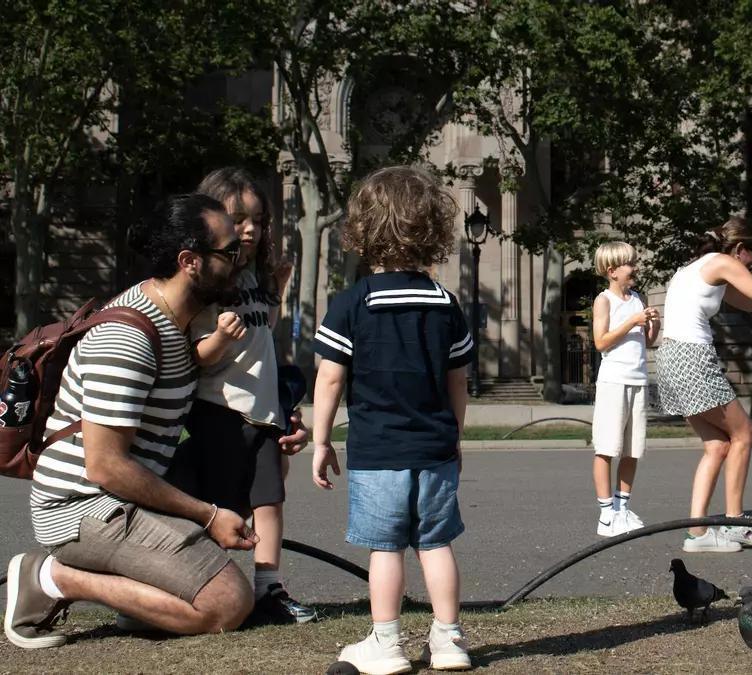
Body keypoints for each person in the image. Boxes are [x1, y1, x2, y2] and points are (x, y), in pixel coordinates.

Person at [7, 195, 256, 649]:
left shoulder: (174, 321)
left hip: (121, 499)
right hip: (82, 507)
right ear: (190, 262)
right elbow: (105, 466)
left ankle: (135, 596)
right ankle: (50, 577)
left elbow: (178, 382)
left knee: (220, 590)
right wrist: (209, 514)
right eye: (229, 252)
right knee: (226, 602)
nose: (241, 258)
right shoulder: (127, 337)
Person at [311, 165, 473, 673]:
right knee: (435, 543)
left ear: (363, 231)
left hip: (377, 450)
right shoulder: (446, 304)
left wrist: (320, 440)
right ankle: (448, 640)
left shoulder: (351, 305)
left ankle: (386, 643)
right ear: (433, 232)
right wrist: (456, 435)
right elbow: (458, 382)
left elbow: (331, 380)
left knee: (385, 550)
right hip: (435, 447)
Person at [163, 167, 314, 624]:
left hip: (261, 412)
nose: (250, 229)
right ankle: (200, 585)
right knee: (226, 504)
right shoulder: (209, 280)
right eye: (239, 218)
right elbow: (197, 357)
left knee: (269, 498)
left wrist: (278, 292)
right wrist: (220, 341)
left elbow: (262, 336)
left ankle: (270, 587)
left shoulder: (250, 277)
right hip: (221, 411)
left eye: (259, 220)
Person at [657, 216, 752, 553]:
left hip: (669, 358)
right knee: (745, 433)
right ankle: (735, 522)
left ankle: (697, 535)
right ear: (739, 248)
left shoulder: (698, 267)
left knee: (717, 445)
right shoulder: (723, 262)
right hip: (691, 357)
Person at [590, 242, 659, 537]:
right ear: (612, 271)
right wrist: (632, 320)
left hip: (637, 380)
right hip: (614, 381)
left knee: (632, 450)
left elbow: (648, 342)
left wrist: (652, 324)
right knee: (607, 448)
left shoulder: (637, 298)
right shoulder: (604, 300)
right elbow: (601, 342)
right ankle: (606, 515)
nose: (636, 267)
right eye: (630, 263)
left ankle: (622, 508)